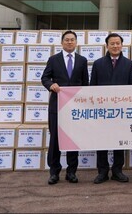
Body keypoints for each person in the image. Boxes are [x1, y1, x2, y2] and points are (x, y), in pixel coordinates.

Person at [40, 30, 88, 185]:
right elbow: (45, 77)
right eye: (66, 40)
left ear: (76, 42)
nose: (69, 42)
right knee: (55, 140)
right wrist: (50, 85)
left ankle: (71, 172)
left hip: (75, 108)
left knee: (72, 139)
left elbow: (85, 84)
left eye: (72, 40)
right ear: (62, 42)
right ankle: (54, 172)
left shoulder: (82, 60)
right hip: (57, 106)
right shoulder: (53, 60)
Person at [90, 32, 132, 184]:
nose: (115, 46)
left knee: (119, 140)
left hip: (121, 111)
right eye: (112, 43)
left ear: (122, 45)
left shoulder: (129, 64)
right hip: (102, 110)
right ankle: (102, 171)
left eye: (118, 43)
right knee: (101, 141)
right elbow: (92, 88)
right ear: (107, 45)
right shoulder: (98, 64)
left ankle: (117, 170)